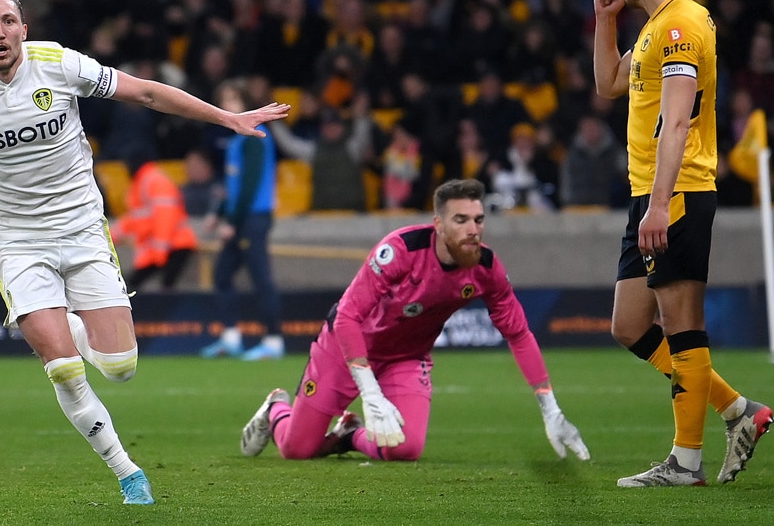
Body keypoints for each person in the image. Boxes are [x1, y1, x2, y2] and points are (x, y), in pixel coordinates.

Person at [0, 0, 289, 505]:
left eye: (8, 21)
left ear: (24, 29)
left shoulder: (58, 63)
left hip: (81, 229)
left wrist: (227, 118)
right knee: (66, 368)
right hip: (17, 240)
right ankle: (127, 473)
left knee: (120, 367)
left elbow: (143, 92)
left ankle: (68, 323)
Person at [239, 179, 590, 463]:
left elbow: (519, 334)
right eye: (461, 220)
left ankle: (348, 435)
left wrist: (550, 407)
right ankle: (276, 408)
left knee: (405, 450)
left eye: (478, 220)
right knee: (297, 450)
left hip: (406, 357)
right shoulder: (400, 251)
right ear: (438, 224)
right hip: (345, 350)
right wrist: (370, 393)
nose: (473, 230)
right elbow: (347, 316)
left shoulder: (486, 269)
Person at [592, 0, 772, 488]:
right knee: (628, 325)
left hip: (678, 191)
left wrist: (661, 203)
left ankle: (685, 462)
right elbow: (607, 84)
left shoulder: (678, 24)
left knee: (681, 323)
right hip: (648, 191)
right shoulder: (655, 26)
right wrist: (604, 21)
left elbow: (676, 122)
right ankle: (739, 410)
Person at [199, 81, 285, 361]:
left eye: (234, 99)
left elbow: (249, 185)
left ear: (246, 101)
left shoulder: (255, 135)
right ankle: (231, 339)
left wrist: (232, 221)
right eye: (224, 100)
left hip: (253, 218)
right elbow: (233, 185)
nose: (228, 106)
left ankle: (273, 341)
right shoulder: (239, 138)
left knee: (261, 278)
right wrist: (220, 212)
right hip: (242, 217)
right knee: (223, 274)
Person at [110, 152, 198, 292]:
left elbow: (166, 216)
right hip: (164, 247)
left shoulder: (153, 180)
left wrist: (160, 251)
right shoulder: (143, 181)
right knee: (137, 285)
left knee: (163, 289)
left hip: (174, 245)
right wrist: (111, 235)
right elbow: (136, 217)